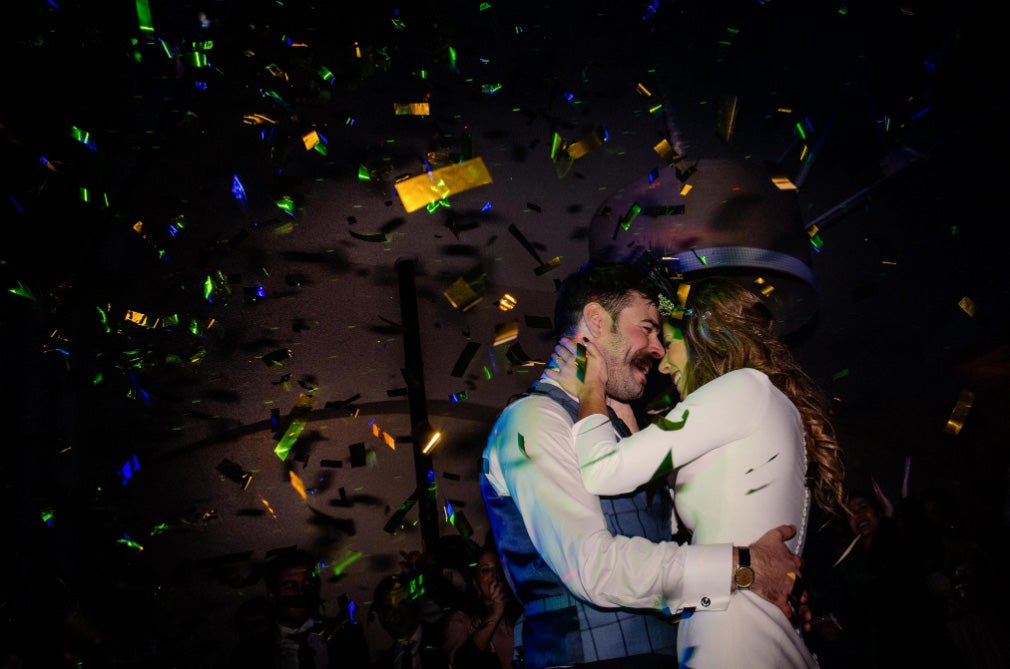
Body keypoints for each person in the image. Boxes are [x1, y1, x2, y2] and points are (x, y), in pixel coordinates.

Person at [480, 261, 807, 669]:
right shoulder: (533, 420)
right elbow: (592, 567)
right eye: (648, 328)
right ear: (597, 320)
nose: (657, 347)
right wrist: (741, 567)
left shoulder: (611, 431)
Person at [549, 275, 848, 668]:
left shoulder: (741, 388)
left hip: (735, 633)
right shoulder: (758, 402)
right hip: (753, 618)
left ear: (703, 340)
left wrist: (592, 387)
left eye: (671, 345)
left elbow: (603, 469)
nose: (665, 362)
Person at [230, 548, 370, 669]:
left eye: (307, 584)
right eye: (290, 586)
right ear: (272, 595)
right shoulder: (250, 653)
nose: (300, 592)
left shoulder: (348, 636)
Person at [442, 541, 521, 669]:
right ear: (476, 584)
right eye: (485, 570)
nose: (493, 574)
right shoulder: (460, 620)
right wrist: (495, 614)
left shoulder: (520, 612)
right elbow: (460, 662)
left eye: (497, 568)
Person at [369, 572, 451, 669]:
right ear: (381, 615)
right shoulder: (382, 664)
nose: (396, 613)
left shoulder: (446, 639)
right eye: (389, 607)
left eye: (401, 603)